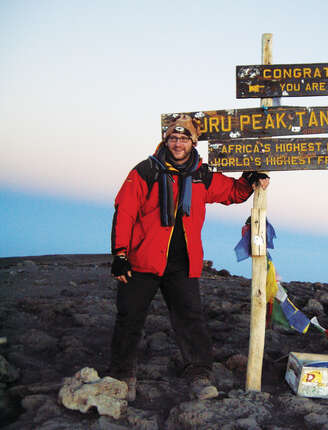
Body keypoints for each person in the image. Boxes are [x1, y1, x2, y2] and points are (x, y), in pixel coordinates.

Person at [109, 114, 269, 402]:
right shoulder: (145, 171)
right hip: (142, 260)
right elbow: (125, 211)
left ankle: (199, 375)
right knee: (129, 316)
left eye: (184, 138)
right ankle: (122, 376)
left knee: (191, 319)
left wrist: (248, 181)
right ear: (165, 140)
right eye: (173, 138)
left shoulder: (200, 175)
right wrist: (120, 253)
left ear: (193, 142)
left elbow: (231, 192)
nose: (178, 143)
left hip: (183, 264)